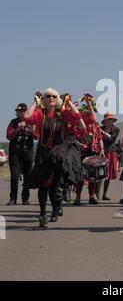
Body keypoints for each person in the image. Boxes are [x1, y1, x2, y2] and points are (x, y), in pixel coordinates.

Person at [24, 89, 83, 228]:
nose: (51, 98)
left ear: (57, 99)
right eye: (48, 96)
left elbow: (78, 117)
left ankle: (56, 210)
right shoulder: (40, 113)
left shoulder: (62, 114)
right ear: (44, 99)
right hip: (43, 153)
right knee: (43, 184)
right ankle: (43, 213)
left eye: (54, 96)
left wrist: (68, 102)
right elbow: (27, 116)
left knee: (55, 185)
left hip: (58, 153)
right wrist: (35, 101)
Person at [73, 96, 105, 205]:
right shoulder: (78, 124)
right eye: (84, 110)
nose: (87, 112)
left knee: (93, 175)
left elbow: (100, 138)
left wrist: (102, 149)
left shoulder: (95, 124)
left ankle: (92, 196)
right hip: (82, 152)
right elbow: (73, 138)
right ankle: (77, 197)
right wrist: (80, 144)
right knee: (81, 176)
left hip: (93, 151)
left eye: (88, 110)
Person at [6, 103, 38, 205]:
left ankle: (25, 198)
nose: (22, 113)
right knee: (15, 176)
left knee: (28, 177)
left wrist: (31, 130)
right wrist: (17, 129)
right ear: (17, 113)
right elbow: (8, 136)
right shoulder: (13, 122)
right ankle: (13, 198)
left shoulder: (33, 122)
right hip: (15, 153)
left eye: (24, 111)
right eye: (19, 111)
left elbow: (37, 136)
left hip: (28, 153)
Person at [97, 113, 120, 201]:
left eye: (111, 120)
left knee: (108, 174)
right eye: (108, 120)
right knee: (100, 174)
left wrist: (101, 132)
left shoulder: (116, 129)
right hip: (102, 152)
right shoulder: (100, 129)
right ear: (105, 121)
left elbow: (111, 138)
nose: (110, 121)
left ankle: (104, 194)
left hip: (111, 152)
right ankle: (96, 194)